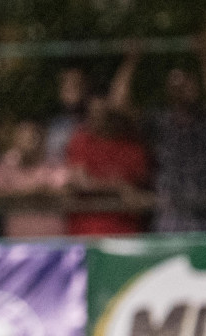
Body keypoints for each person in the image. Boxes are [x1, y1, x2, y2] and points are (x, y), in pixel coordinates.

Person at [110, 37, 206, 232]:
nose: (181, 88)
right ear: (168, 90)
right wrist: (130, 62)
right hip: (170, 217)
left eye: (186, 83)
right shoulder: (159, 123)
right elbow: (117, 105)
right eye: (176, 84)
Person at [64, 96, 151, 236]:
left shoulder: (133, 147)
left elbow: (142, 188)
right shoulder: (81, 141)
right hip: (86, 232)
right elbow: (81, 182)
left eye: (104, 112)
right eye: (94, 112)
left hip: (127, 233)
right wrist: (119, 187)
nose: (99, 117)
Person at [0, 121, 70, 238]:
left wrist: (19, 193)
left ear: (41, 141)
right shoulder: (5, 165)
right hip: (17, 241)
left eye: (31, 139)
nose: (26, 144)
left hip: (52, 239)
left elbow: (64, 191)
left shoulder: (53, 164)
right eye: (22, 138)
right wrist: (32, 192)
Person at [43, 67, 87, 165]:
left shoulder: (93, 121)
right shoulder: (53, 124)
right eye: (66, 86)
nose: (70, 90)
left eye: (75, 85)